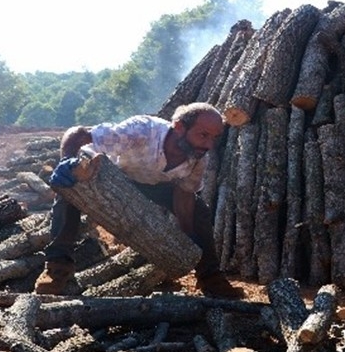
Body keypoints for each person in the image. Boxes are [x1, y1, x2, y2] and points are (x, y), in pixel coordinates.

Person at [33, 102, 244, 299]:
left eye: (213, 138)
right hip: (109, 172)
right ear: (179, 127)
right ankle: (57, 268)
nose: (208, 145)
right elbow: (78, 134)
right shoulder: (142, 131)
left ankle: (211, 279)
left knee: (199, 211)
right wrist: (67, 161)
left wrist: (188, 233)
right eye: (203, 135)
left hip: (150, 182)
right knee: (69, 191)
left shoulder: (197, 159)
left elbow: (184, 193)